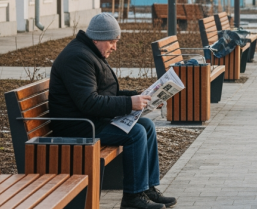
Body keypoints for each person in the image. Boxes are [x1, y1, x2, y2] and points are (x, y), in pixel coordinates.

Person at [49, 13, 176, 209]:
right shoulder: (77, 57)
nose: (115, 47)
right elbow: (89, 102)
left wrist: (140, 97)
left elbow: (106, 93)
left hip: (91, 120)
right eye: (112, 41)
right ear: (97, 38)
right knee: (135, 133)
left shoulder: (90, 52)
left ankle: (147, 188)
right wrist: (129, 103)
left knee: (147, 125)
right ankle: (132, 198)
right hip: (78, 126)